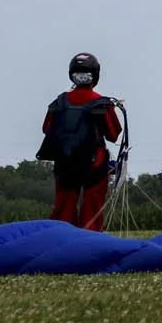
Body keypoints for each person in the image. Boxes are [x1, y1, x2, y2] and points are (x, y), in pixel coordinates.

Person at [37, 53, 124, 231]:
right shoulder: (102, 104)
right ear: (95, 75)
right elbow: (113, 135)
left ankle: (59, 242)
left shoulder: (60, 102)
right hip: (94, 166)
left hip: (65, 165)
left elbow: (47, 129)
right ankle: (89, 247)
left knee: (63, 210)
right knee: (92, 211)